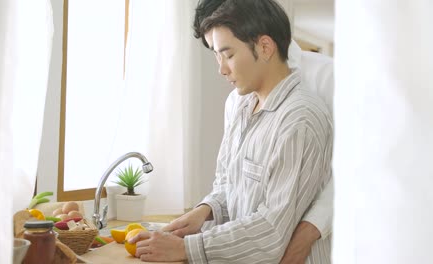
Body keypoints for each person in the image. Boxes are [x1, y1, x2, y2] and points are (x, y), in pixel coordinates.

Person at [129, 0, 333, 263]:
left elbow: (271, 229)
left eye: (229, 55)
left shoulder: (300, 118)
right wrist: (205, 210)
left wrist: (187, 249)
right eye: (216, 55)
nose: (222, 69)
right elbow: (228, 183)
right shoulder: (241, 106)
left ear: (265, 47)